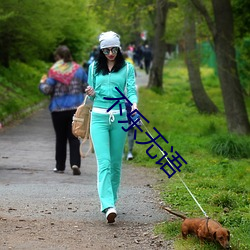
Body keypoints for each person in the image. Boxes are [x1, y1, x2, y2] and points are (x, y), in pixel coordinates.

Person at [85, 31, 138, 223]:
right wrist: (90, 92)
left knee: (116, 164)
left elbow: (131, 91)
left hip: (120, 118)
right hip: (98, 118)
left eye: (114, 49)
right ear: (101, 50)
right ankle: (107, 205)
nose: (110, 53)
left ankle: (112, 201)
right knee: (104, 163)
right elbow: (91, 97)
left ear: (119, 48)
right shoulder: (93, 68)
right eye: (106, 50)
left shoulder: (127, 68)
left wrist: (134, 106)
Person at [39, 45, 88, 175]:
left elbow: (47, 90)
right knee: (74, 137)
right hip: (75, 109)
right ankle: (75, 163)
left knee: (60, 138)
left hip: (58, 109)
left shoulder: (54, 71)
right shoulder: (79, 70)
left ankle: (60, 166)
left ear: (58, 57)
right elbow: (86, 87)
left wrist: (42, 83)